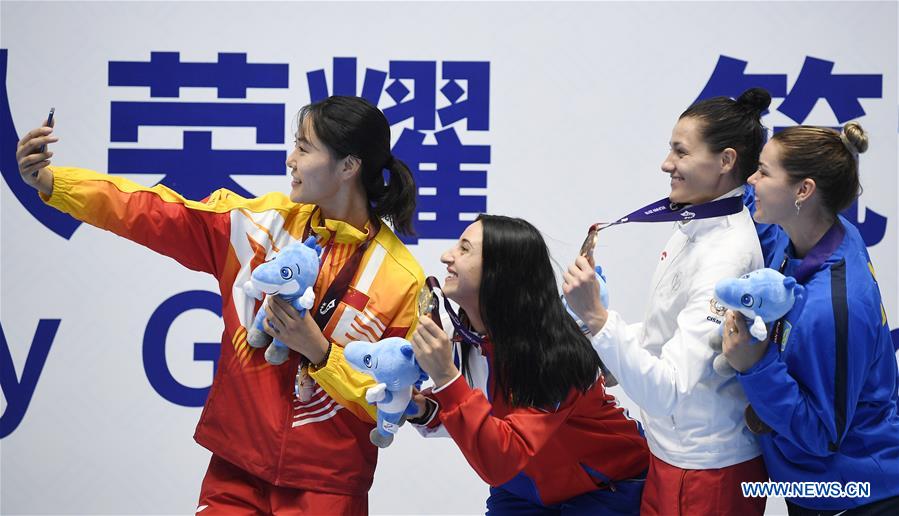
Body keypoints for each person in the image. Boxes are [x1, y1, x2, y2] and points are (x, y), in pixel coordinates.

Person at [16, 96, 425, 514]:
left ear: (348, 166)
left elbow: (395, 401)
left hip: (326, 487)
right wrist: (53, 183)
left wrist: (320, 353)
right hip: (235, 470)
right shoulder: (259, 226)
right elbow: (154, 212)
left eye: (304, 149)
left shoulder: (400, 280)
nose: (290, 159)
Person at [563, 88, 772, 515]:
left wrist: (599, 319)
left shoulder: (725, 257)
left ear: (726, 161)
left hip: (708, 473)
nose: (666, 164)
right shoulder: (694, 223)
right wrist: (600, 346)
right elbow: (665, 336)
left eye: (681, 152)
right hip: (671, 455)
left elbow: (669, 391)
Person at [409, 215, 649, 515]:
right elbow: (483, 418)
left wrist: (446, 377)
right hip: (521, 488)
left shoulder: (556, 353)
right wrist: (424, 409)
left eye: (464, 249)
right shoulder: (462, 335)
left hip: (607, 488)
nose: (446, 256)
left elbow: (500, 455)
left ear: (500, 272)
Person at [722, 122, 899, 515]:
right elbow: (770, 234)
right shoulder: (820, 233)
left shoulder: (832, 306)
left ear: (803, 191)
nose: (751, 180)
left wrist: (755, 366)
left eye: (763, 172)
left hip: (855, 493)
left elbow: (820, 434)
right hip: (823, 483)